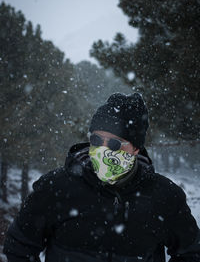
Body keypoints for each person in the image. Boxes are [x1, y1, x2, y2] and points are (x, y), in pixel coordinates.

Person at [3, 93, 200, 262]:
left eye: (114, 144)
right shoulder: (56, 187)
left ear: (135, 149)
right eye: (97, 140)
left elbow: (191, 253)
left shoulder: (164, 196)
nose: (103, 150)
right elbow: (19, 246)